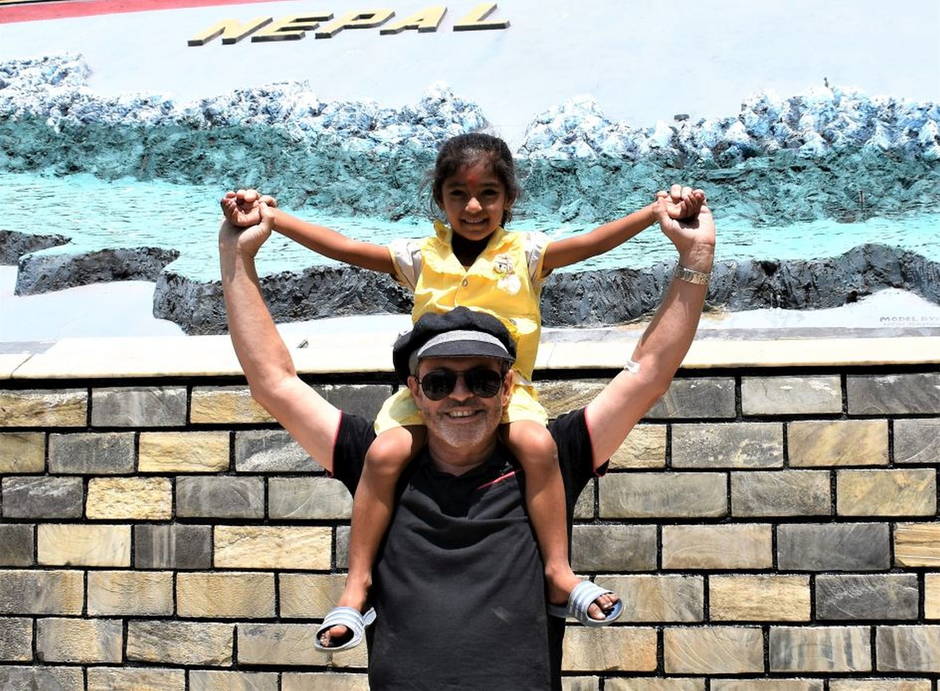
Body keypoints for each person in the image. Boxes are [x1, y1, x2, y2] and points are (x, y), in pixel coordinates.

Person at [219, 182, 714, 689]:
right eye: (439, 381)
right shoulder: (379, 460)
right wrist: (235, 255)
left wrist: (696, 255)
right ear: (413, 389)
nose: (460, 396)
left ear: (506, 385)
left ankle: (559, 577)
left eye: (480, 379)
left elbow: (649, 373)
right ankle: (355, 592)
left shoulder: (549, 456)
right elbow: (273, 382)